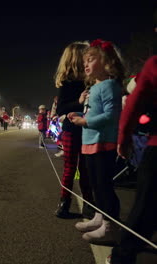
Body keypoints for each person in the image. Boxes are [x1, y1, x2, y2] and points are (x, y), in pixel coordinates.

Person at [68, 38, 125, 244]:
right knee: (94, 184)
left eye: (91, 59)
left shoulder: (110, 85)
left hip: (103, 143)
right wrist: (76, 114)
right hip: (89, 143)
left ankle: (111, 226)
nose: (86, 64)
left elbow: (111, 115)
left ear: (107, 62)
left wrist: (84, 121)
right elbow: (91, 112)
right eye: (86, 61)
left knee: (104, 185)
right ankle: (100, 218)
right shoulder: (93, 88)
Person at [110, 56, 157, 264]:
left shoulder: (154, 64)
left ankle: (122, 257)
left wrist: (123, 138)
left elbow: (133, 103)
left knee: (144, 211)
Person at [53, 42, 94, 219]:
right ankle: (64, 204)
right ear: (76, 58)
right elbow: (61, 108)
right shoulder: (67, 82)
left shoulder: (89, 79)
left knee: (86, 168)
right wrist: (79, 101)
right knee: (70, 167)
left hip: (87, 127)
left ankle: (88, 204)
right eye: (85, 55)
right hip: (71, 129)